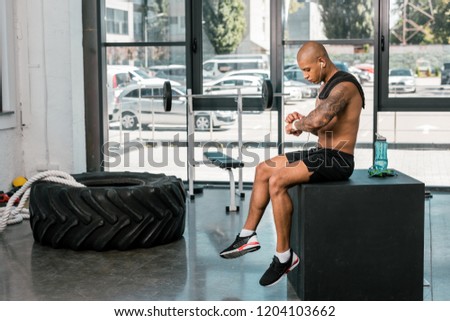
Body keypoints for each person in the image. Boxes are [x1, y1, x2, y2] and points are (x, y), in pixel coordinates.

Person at [219, 41, 365, 287]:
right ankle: (247, 236)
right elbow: (323, 126)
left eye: (307, 70)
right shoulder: (326, 86)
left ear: (322, 61)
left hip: (338, 159)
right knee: (264, 168)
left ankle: (284, 256)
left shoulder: (345, 86)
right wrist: (303, 121)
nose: (305, 76)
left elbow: (320, 118)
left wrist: (301, 123)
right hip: (322, 152)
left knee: (279, 179)